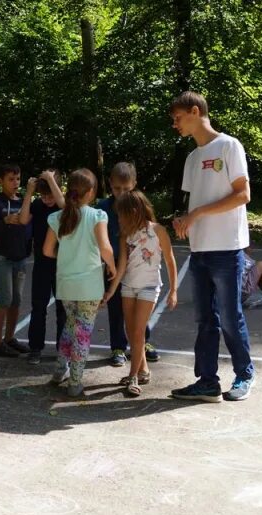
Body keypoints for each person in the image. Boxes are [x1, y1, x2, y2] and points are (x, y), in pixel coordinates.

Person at [170, 91, 255, 402]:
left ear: (195, 111)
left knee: (231, 316)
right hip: (199, 250)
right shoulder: (192, 158)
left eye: (178, 118)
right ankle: (207, 382)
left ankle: (244, 374)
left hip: (228, 249)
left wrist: (197, 214)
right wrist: (185, 220)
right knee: (205, 319)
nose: (175, 124)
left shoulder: (229, 146)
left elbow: (242, 195)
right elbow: (199, 202)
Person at [43, 168, 117, 397]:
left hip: (65, 285)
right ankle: (75, 382)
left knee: (70, 325)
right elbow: (105, 247)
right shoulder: (97, 216)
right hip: (89, 286)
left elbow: (47, 251)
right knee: (82, 333)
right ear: (91, 192)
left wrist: (65, 258)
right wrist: (112, 266)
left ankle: (59, 370)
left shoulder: (58, 217)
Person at [104, 190, 177, 397]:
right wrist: (111, 290)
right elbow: (122, 263)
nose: (119, 218)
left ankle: (133, 376)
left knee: (138, 333)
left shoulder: (158, 231)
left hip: (149, 287)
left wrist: (173, 291)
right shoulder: (125, 234)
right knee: (131, 331)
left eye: (121, 214)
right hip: (128, 286)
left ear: (134, 211)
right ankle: (143, 370)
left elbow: (170, 261)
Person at [97, 162, 161, 366]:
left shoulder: (139, 205)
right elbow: (99, 238)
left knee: (140, 305)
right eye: (117, 188)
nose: (121, 193)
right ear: (110, 184)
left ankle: (143, 342)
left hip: (138, 264)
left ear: (134, 184)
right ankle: (118, 346)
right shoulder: (103, 208)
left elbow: (152, 232)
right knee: (116, 306)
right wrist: (106, 261)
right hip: (112, 263)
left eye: (126, 188)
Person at [19, 170, 67, 365]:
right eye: (43, 195)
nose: (47, 199)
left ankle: (62, 348)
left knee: (63, 308)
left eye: (50, 195)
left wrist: (49, 179)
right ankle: (35, 348)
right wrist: (30, 192)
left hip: (62, 264)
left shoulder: (63, 205)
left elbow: (63, 205)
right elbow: (22, 220)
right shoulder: (37, 205)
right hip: (41, 263)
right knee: (38, 306)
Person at [0, 163, 33, 357]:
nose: (15, 183)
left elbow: (28, 225)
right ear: (0, 181)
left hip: (20, 258)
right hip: (2, 258)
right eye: (10, 179)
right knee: (5, 299)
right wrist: (5, 221)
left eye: (17, 179)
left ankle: (9, 338)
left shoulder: (23, 201)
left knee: (16, 300)